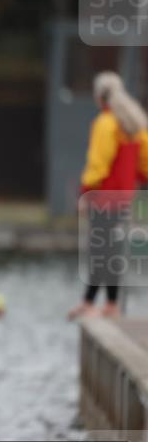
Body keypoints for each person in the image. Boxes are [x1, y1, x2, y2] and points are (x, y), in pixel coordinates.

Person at [69, 71, 148, 320]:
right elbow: (144, 165)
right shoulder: (134, 124)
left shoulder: (106, 123)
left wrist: (85, 193)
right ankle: (110, 303)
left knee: (99, 251)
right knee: (111, 249)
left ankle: (90, 303)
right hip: (124, 197)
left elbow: (98, 165)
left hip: (104, 198)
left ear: (99, 96)